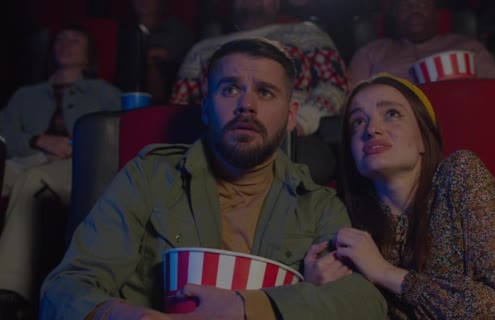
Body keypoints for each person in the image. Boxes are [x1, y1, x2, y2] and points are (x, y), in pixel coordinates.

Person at [39, 38, 387, 319]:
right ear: (205, 107)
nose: (246, 106)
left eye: (265, 92)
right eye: (230, 90)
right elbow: (65, 290)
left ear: (291, 115)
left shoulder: (317, 204)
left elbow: (365, 304)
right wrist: (129, 316)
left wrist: (248, 307)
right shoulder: (149, 176)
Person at [318, 73, 495, 318]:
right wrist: (316, 288)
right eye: (358, 122)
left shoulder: (459, 174)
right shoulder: (344, 219)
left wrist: (385, 272)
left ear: (423, 140)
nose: (372, 129)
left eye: (392, 114)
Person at [0, 24, 121, 316]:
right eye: (61, 39)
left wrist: (74, 145)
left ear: (88, 52)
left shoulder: (105, 93)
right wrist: (37, 139)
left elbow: (117, 135)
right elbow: (4, 132)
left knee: (32, 181)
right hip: (27, 158)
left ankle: (8, 290)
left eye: (75, 39)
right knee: (21, 174)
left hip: (74, 165)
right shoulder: (25, 95)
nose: (66, 44)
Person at [170, 0, 349, 136]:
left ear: (276, 4)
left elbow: (334, 86)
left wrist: (299, 122)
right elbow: (180, 107)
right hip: (216, 138)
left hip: (295, 137)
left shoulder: (306, 33)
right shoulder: (202, 49)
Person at [347, 0, 495, 85]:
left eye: (422, 4)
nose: (414, 11)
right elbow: (350, 104)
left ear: (436, 12)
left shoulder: (470, 48)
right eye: (405, 6)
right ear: (394, 15)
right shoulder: (370, 54)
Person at [114, 0, 193, 105]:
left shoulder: (176, 30)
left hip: (168, 100)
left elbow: (181, 59)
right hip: (125, 96)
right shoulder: (123, 31)